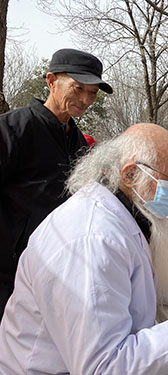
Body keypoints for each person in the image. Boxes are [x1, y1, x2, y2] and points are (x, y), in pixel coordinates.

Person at [0, 123, 168, 374]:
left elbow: (142, 276)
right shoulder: (93, 239)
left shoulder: (120, 213)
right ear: (131, 175)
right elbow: (106, 366)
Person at [0, 48, 113, 318]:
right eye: (78, 89)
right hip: (8, 270)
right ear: (51, 81)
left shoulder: (76, 141)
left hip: (56, 267)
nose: (85, 100)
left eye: (93, 93)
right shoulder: (13, 130)